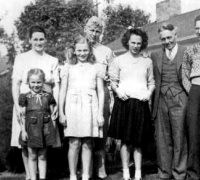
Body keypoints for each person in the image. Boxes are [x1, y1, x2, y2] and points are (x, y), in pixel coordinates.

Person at [11, 25, 61, 180]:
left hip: (45, 106)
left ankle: (41, 176)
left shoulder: (52, 60)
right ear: (30, 40)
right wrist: (18, 107)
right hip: (25, 105)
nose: (39, 42)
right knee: (25, 143)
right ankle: (29, 176)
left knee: (43, 143)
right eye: (35, 39)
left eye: (41, 39)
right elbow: (16, 84)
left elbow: (57, 85)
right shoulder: (21, 58)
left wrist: (56, 105)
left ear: (45, 40)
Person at [107, 27, 155, 180]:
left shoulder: (147, 61)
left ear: (143, 44)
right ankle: (126, 171)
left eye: (139, 43)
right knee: (125, 140)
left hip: (140, 103)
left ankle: (139, 172)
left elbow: (151, 82)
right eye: (133, 42)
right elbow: (113, 82)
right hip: (124, 102)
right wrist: (118, 91)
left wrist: (148, 93)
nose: (136, 46)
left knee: (138, 141)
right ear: (127, 42)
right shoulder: (118, 60)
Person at [59, 35, 105, 180]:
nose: (82, 53)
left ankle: (85, 175)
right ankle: (73, 175)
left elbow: (101, 91)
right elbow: (63, 90)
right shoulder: (68, 67)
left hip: (90, 106)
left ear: (89, 50)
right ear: (74, 50)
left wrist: (100, 114)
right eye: (79, 50)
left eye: (85, 50)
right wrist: (61, 112)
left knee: (87, 142)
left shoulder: (96, 67)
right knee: (74, 143)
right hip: (72, 107)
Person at [151, 23, 188, 180]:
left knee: (180, 137)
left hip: (181, 98)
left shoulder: (186, 51)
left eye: (169, 37)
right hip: (161, 100)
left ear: (176, 35)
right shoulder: (155, 55)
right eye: (163, 39)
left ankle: (179, 172)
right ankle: (164, 172)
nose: (166, 41)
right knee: (162, 138)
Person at [84, 16, 114, 178]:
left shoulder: (106, 51)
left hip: (102, 92)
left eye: (97, 31)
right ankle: (86, 167)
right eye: (92, 30)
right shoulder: (79, 47)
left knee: (102, 128)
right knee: (84, 129)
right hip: (84, 94)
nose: (94, 34)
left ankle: (101, 165)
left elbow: (114, 72)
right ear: (85, 30)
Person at [19, 68, 56, 180]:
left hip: (45, 129)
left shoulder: (48, 96)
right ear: (28, 83)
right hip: (30, 130)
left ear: (43, 82)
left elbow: (52, 114)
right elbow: (22, 116)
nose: (36, 85)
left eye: (39, 82)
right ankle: (33, 178)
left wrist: (52, 130)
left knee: (43, 156)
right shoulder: (24, 97)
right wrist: (23, 131)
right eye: (33, 82)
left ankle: (43, 178)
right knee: (32, 155)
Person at [182, 15, 200, 180]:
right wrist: (192, 91)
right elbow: (184, 74)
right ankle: (194, 173)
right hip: (195, 90)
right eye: (197, 28)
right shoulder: (190, 49)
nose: (199, 31)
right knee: (193, 132)